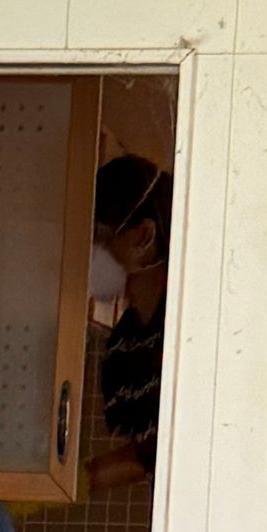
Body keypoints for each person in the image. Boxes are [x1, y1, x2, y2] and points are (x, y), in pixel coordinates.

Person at [88, 151, 172, 489]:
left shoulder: (190, 326)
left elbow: (164, 448)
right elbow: (144, 451)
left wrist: (81, 479)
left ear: (142, 236)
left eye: (99, 236)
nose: (89, 252)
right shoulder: (123, 345)